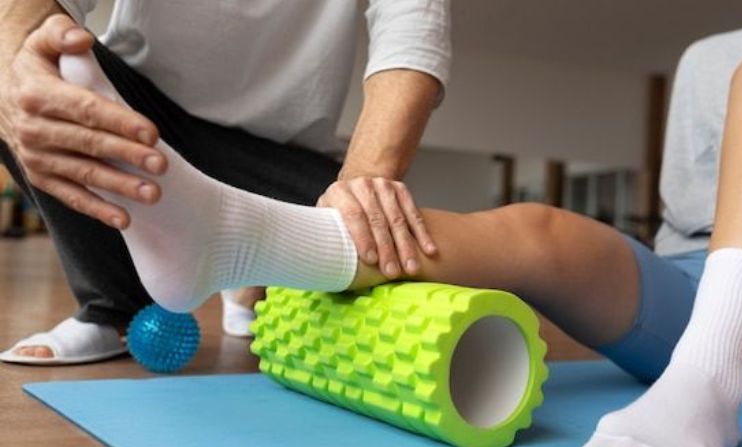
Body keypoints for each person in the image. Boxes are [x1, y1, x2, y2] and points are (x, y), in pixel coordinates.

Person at [13, 0, 742, 447]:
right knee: (533, 229)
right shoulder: (715, 50)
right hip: (688, 288)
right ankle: (228, 241)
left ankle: (709, 381)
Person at [0, 1, 450, 364]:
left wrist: (359, 192)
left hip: (277, 160)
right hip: (144, 127)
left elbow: (411, 30)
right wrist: (13, 76)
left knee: (393, 243)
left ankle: (248, 264)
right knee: (34, 58)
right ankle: (114, 304)